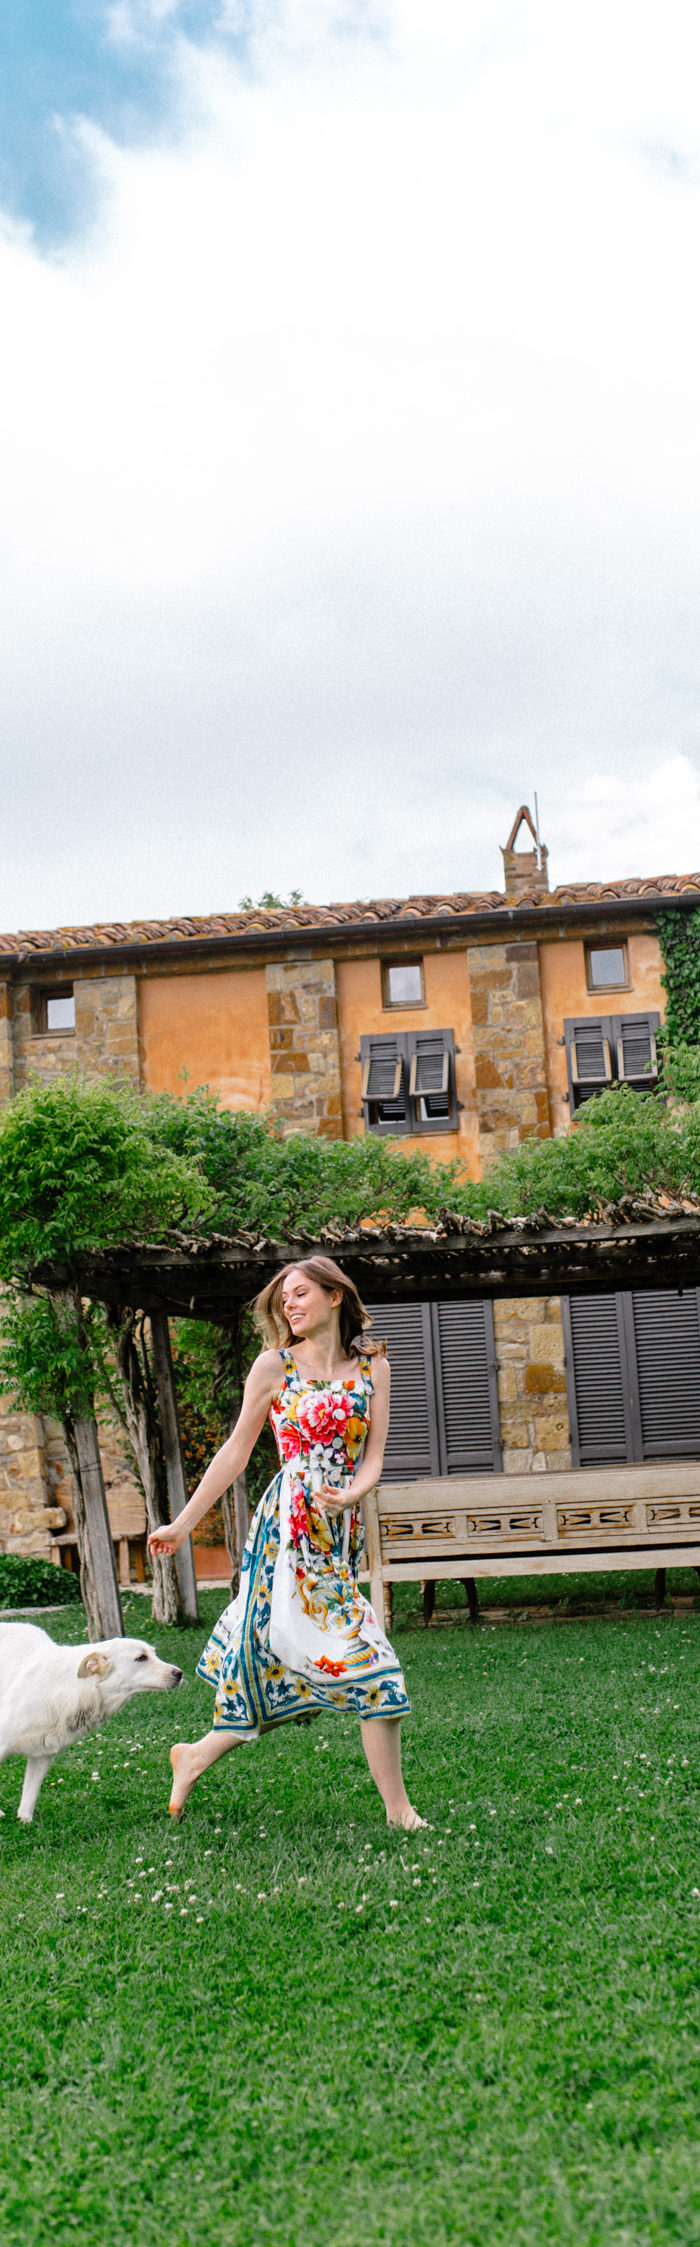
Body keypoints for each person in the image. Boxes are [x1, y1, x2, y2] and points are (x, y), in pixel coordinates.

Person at [148, 1256, 423, 1829]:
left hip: (336, 1531)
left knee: (287, 1663)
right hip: (286, 1532)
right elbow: (235, 1452)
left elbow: (373, 1458)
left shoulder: (373, 1368)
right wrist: (181, 1524)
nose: (289, 1305)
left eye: (301, 1293)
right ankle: (400, 1814)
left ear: (335, 1296)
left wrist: (352, 1495)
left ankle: (195, 1756)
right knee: (370, 1666)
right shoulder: (274, 1366)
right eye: (284, 1299)